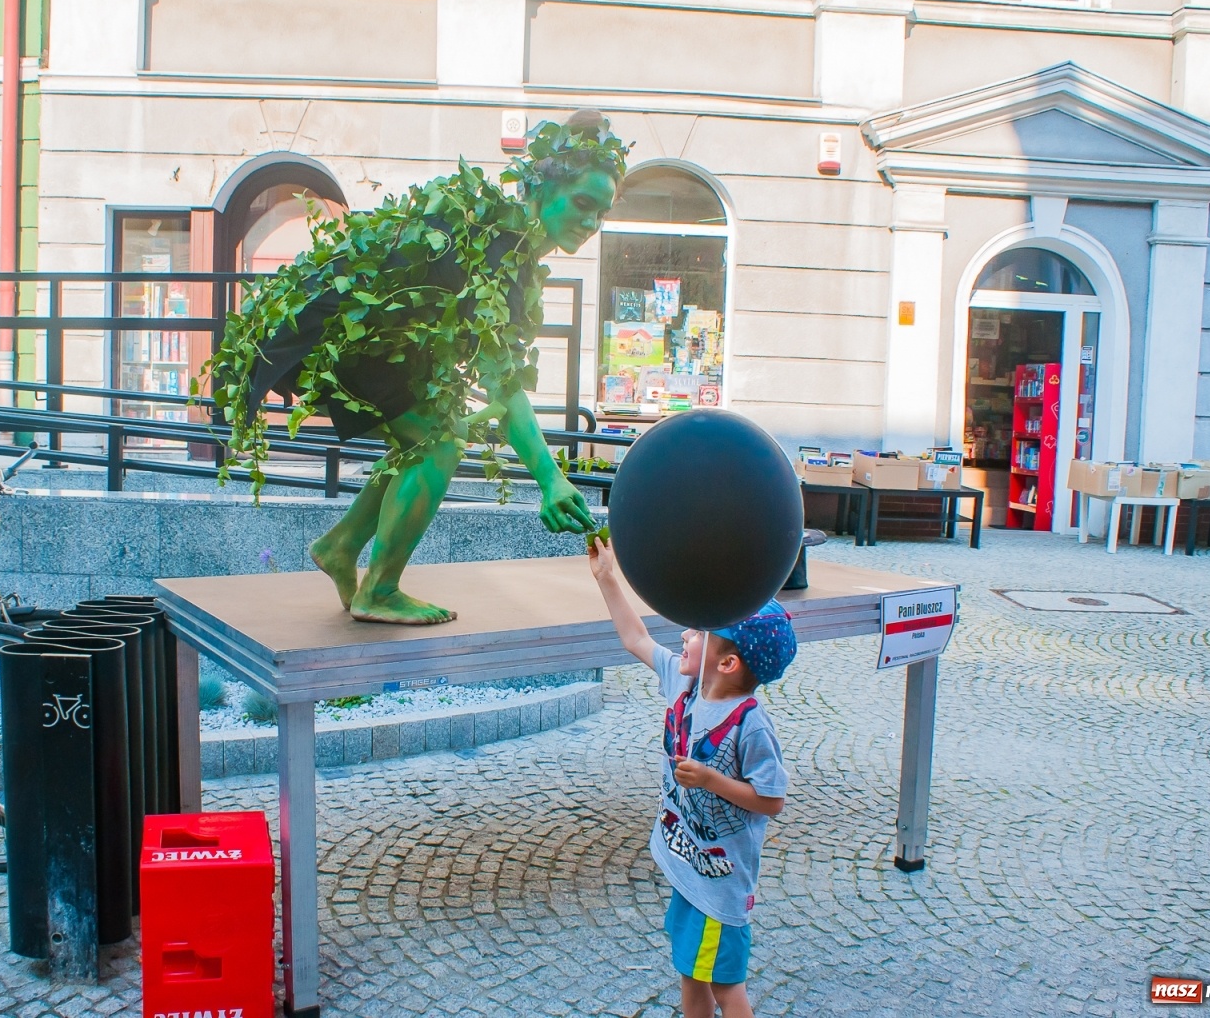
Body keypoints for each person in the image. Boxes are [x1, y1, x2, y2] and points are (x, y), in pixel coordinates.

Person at [205, 110, 629, 625]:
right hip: (326, 333)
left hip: (355, 338)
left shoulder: (509, 253)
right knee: (439, 439)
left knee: (430, 431)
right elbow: (504, 383)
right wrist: (549, 478)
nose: (590, 222)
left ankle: (341, 546)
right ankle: (378, 590)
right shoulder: (494, 243)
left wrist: (548, 475)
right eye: (583, 203)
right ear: (540, 188)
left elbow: (497, 374)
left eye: (601, 212)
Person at [588, 536, 794, 1018]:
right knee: (690, 971)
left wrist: (710, 779)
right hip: (690, 867)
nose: (683, 635)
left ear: (728, 663)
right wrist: (607, 577)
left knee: (725, 988)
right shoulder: (685, 683)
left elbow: (771, 799)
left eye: (698, 633)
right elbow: (635, 638)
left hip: (720, 884)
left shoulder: (750, 725)